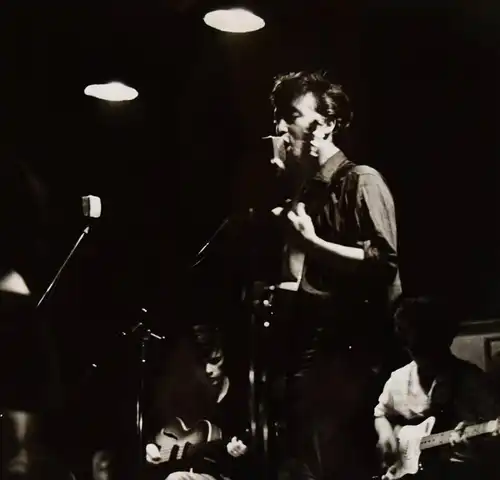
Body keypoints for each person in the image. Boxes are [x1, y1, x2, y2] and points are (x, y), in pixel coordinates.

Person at [256, 70, 402, 479]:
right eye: (277, 117)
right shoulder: (305, 194)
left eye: (291, 115)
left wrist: (312, 243)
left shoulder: (362, 181)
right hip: (314, 363)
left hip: (355, 364)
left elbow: (383, 262)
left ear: (326, 124)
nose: (280, 127)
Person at [374, 297, 500, 480]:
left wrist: (476, 446)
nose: (427, 359)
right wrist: (385, 434)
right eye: (417, 350)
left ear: (446, 340)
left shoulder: (473, 381)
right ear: (406, 347)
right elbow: (381, 414)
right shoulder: (398, 380)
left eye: (432, 348)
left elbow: (493, 441)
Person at [145, 325, 252, 480]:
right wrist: (150, 447)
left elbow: (249, 440)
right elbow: (160, 428)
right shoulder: (187, 394)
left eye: (215, 361)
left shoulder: (241, 396)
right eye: (203, 363)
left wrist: (237, 447)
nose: (209, 369)